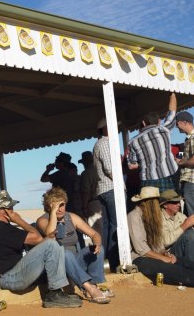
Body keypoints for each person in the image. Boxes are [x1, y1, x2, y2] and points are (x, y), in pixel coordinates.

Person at [0, 190, 82, 308]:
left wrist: (47, 239)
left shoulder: (1, 227)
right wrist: (19, 220)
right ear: (4, 209)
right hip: (9, 278)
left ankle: (56, 293)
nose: (13, 209)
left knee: (51, 243)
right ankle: (54, 294)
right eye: (10, 207)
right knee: (51, 244)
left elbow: (38, 240)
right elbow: (37, 238)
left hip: (14, 275)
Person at [36, 188, 111, 304]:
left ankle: (93, 285)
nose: (60, 209)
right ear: (48, 206)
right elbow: (49, 234)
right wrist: (53, 214)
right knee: (64, 253)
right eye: (56, 206)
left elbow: (94, 234)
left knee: (98, 248)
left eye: (62, 205)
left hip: (74, 263)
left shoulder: (71, 217)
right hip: (58, 267)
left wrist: (96, 243)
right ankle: (89, 288)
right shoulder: (43, 220)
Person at [127, 93, 178, 192]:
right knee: (169, 206)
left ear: (144, 123)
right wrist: (172, 94)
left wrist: (144, 162)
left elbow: (131, 165)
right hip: (167, 176)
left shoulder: (132, 142)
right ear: (159, 121)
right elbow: (172, 112)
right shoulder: (164, 129)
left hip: (147, 181)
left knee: (150, 207)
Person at [92, 118, 120, 272]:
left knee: (108, 227)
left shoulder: (99, 144)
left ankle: (108, 261)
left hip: (103, 189)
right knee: (115, 226)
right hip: (110, 188)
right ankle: (115, 261)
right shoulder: (105, 143)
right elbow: (110, 169)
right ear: (105, 128)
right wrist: (120, 184)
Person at [79, 151, 102, 235]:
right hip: (101, 200)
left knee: (96, 231)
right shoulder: (98, 170)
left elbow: (86, 192)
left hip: (93, 203)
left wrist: (84, 207)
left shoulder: (85, 174)